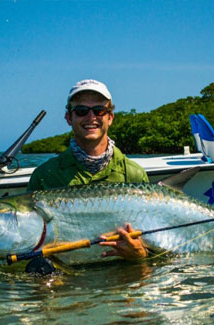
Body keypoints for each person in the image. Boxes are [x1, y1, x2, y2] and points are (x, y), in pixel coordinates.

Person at [27, 79, 149, 260]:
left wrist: (140, 254)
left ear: (110, 117)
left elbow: (157, 246)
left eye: (99, 110)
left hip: (123, 280)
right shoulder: (44, 175)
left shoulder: (133, 174)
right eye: (81, 111)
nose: (91, 117)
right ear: (69, 118)